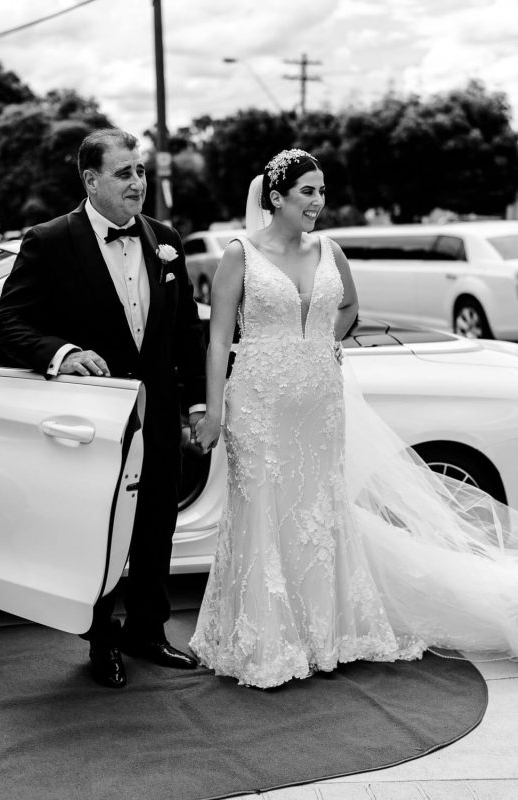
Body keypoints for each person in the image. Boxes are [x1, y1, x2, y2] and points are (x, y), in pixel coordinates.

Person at [190, 148, 518, 689]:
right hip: (259, 401)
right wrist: (212, 411)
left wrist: (326, 342)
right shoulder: (239, 254)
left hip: (320, 401)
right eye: (308, 192)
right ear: (276, 197)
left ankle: (325, 635)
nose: (318, 202)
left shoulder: (330, 250)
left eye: (322, 191)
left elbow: (349, 307)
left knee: (319, 509)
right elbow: (219, 337)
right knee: (263, 510)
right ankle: (267, 641)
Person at [0, 128, 206, 689]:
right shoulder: (50, 240)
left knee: (156, 524)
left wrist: (198, 403)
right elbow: (8, 323)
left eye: (140, 170)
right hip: (93, 421)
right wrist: (62, 353)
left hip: (157, 414)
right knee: (101, 532)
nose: (137, 182)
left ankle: (148, 631)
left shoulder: (166, 240)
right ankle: (102, 641)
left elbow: (186, 329)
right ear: (90, 180)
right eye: (123, 173)